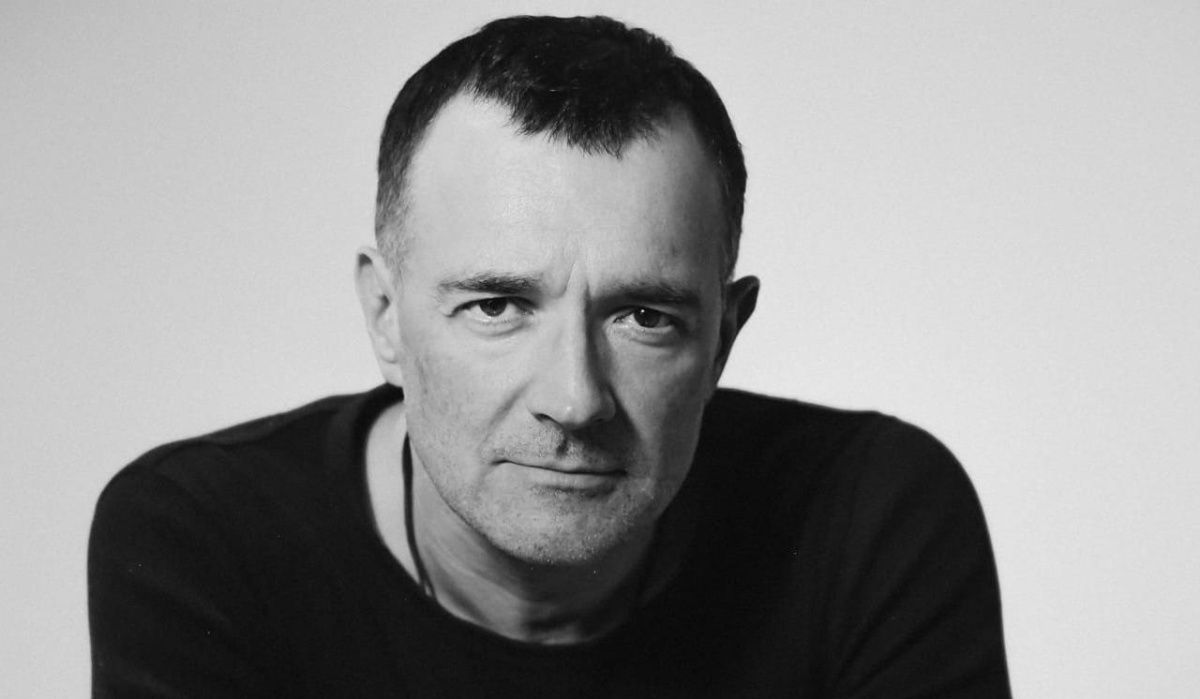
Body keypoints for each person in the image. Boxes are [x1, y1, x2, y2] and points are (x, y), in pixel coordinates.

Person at [88, 15, 1010, 697]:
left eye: (643, 316)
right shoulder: (203, 542)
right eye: (497, 305)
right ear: (385, 316)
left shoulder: (870, 517)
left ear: (724, 338)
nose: (574, 398)